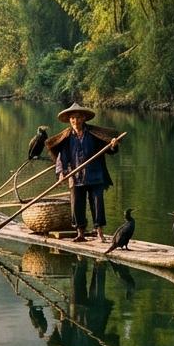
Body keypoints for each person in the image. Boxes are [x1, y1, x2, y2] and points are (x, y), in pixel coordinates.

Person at [47, 102, 119, 243]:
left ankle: (99, 233)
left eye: (79, 117)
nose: (76, 121)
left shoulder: (94, 134)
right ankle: (80, 233)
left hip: (95, 174)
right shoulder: (67, 137)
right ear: (69, 120)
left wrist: (113, 145)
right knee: (77, 204)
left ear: (84, 118)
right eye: (73, 118)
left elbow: (109, 149)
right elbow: (62, 157)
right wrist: (61, 173)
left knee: (97, 203)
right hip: (75, 176)